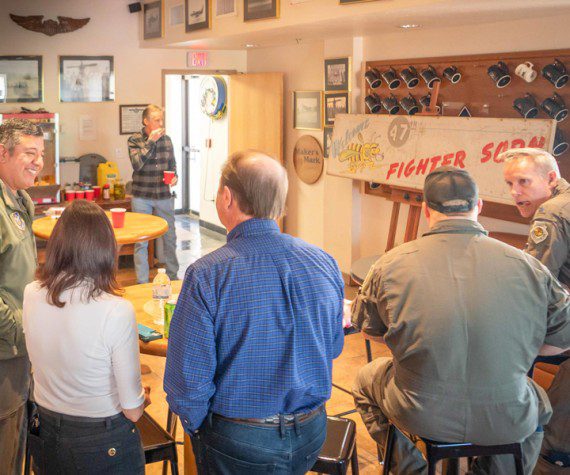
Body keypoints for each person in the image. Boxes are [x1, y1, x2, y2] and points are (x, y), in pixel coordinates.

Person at [351, 166, 570, 474]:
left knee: (365, 380)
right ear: (477, 207)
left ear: (426, 210)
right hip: (505, 413)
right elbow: (562, 339)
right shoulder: (529, 267)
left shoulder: (389, 265)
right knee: (537, 409)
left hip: (421, 411)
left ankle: (413, 469)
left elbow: (371, 330)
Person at [164, 150, 345, 474]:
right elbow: (333, 347)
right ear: (279, 203)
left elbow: (187, 385)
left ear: (227, 197)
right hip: (311, 432)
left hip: (238, 440)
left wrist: (200, 430)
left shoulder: (207, 275)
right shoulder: (324, 262)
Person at [22, 200, 150, 474]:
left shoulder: (31, 293)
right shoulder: (115, 310)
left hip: (45, 433)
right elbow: (133, 410)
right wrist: (142, 397)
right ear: (106, 249)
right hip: (101, 442)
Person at [502, 148, 570, 473]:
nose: (516, 192)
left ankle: (517, 444)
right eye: (510, 183)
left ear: (551, 179)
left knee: (507, 346)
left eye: (524, 181)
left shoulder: (551, 214)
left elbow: (535, 284)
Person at [0, 118, 44, 473]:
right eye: (30, 153)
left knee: (19, 444)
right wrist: (21, 330)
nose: (38, 162)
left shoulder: (20, 199)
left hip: (22, 347)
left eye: (40, 154)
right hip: (5, 351)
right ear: (3, 153)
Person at [128, 104, 179, 283]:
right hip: (142, 196)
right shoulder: (134, 140)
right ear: (146, 121)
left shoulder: (167, 140)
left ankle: (173, 277)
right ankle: (142, 282)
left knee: (170, 237)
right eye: (156, 120)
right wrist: (150, 141)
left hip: (164, 196)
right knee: (141, 241)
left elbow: (172, 166)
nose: (160, 123)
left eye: (161, 120)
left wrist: (175, 178)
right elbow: (136, 164)